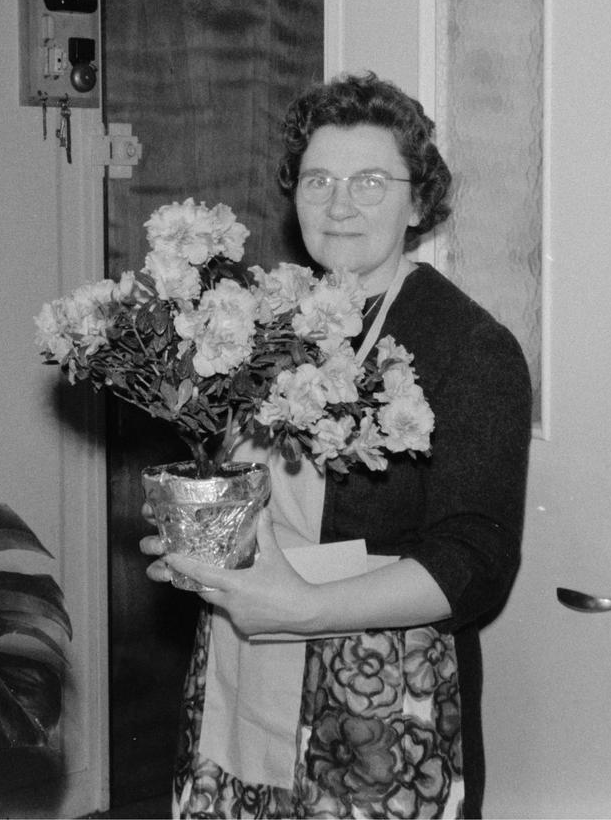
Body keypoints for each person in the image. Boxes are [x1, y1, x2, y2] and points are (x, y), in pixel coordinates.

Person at [143, 71, 532, 819]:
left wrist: (305, 608)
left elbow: (476, 561)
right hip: (243, 670)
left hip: (376, 701)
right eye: (318, 180)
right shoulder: (266, 322)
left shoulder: (469, 346)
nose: (339, 205)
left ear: (418, 202)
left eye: (370, 182)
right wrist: (199, 539)